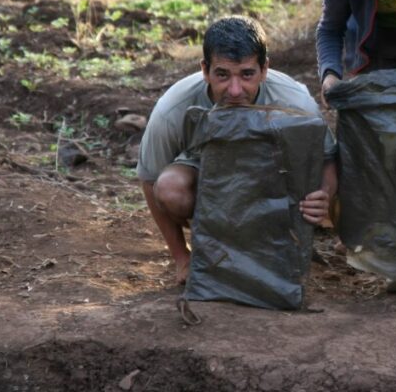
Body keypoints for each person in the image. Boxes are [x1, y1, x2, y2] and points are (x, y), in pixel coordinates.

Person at [137, 16, 337, 285]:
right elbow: (149, 179)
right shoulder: (172, 109)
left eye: (246, 74)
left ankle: (277, 244)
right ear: (205, 70)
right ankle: (213, 244)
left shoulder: (294, 101)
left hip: (275, 178)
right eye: (222, 75)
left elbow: (327, 157)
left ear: (264, 70)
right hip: (207, 176)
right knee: (170, 187)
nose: (234, 90)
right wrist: (181, 257)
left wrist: (323, 194)